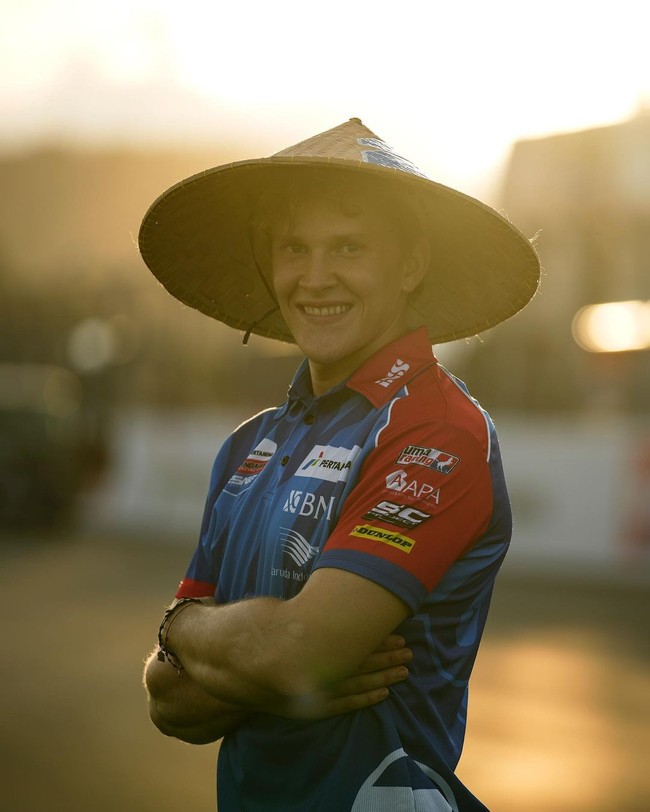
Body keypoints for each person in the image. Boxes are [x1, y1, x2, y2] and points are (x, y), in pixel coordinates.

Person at [139, 118, 540, 811]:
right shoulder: (247, 446)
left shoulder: (438, 431)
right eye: (295, 247)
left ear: (410, 264)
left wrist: (182, 629)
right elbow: (169, 702)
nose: (315, 277)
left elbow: (299, 654)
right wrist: (250, 663)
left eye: (348, 247)